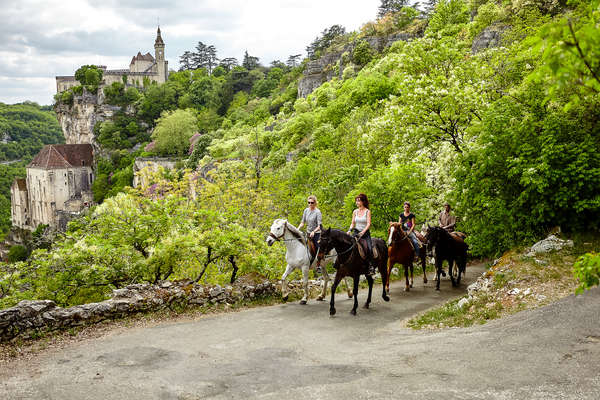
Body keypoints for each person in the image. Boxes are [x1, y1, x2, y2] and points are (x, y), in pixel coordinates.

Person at [347, 193, 375, 275]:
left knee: (369, 248)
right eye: (356, 201)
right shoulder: (355, 211)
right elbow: (352, 223)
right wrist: (349, 230)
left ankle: (371, 267)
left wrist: (363, 232)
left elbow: (368, 224)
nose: (357, 202)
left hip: (365, 234)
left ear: (363, 201)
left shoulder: (367, 211)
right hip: (356, 232)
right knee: (348, 245)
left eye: (358, 201)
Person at [298, 195, 322, 272]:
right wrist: (297, 229)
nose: (310, 204)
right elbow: (302, 222)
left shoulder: (318, 212)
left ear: (315, 203)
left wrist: (313, 232)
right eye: (309, 202)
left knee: (318, 247)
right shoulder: (306, 210)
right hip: (308, 232)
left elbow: (319, 226)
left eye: (312, 202)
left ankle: (318, 265)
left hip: (316, 233)